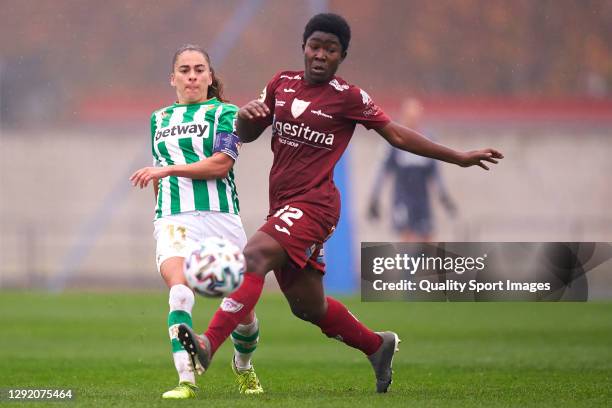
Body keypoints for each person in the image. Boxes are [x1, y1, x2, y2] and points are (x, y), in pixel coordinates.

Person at [177, 14, 503, 393]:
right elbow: (248, 132)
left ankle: (207, 344)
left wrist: (459, 157)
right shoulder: (281, 85)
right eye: (315, 46)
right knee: (307, 307)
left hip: (316, 205)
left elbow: (396, 134)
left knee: (253, 258)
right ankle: (377, 345)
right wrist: (248, 117)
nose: (320, 55)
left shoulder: (348, 97)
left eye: (330, 50)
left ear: (341, 56)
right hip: (282, 205)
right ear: (304, 47)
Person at [129, 44, 263, 399]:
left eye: (199, 69)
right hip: (175, 219)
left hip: (221, 219)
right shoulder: (158, 119)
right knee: (179, 291)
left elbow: (222, 164)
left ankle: (244, 366)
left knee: (243, 310)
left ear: (209, 76)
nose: (192, 76)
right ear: (172, 78)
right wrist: (162, 212)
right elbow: (159, 172)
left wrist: (169, 169)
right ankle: (186, 380)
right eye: (184, 70)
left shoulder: (226, 113)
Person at [368, 98, 457, 242]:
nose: (413, 120)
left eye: (416, 117)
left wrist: (444, 196)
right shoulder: (394, 139)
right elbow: (382, 170)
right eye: (410, 116)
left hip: (422, 199)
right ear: (403, 116)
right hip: (402, 199)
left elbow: (436, 172)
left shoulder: (428, 139)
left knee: (428, 240)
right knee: (406, 241)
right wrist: (374, 198)